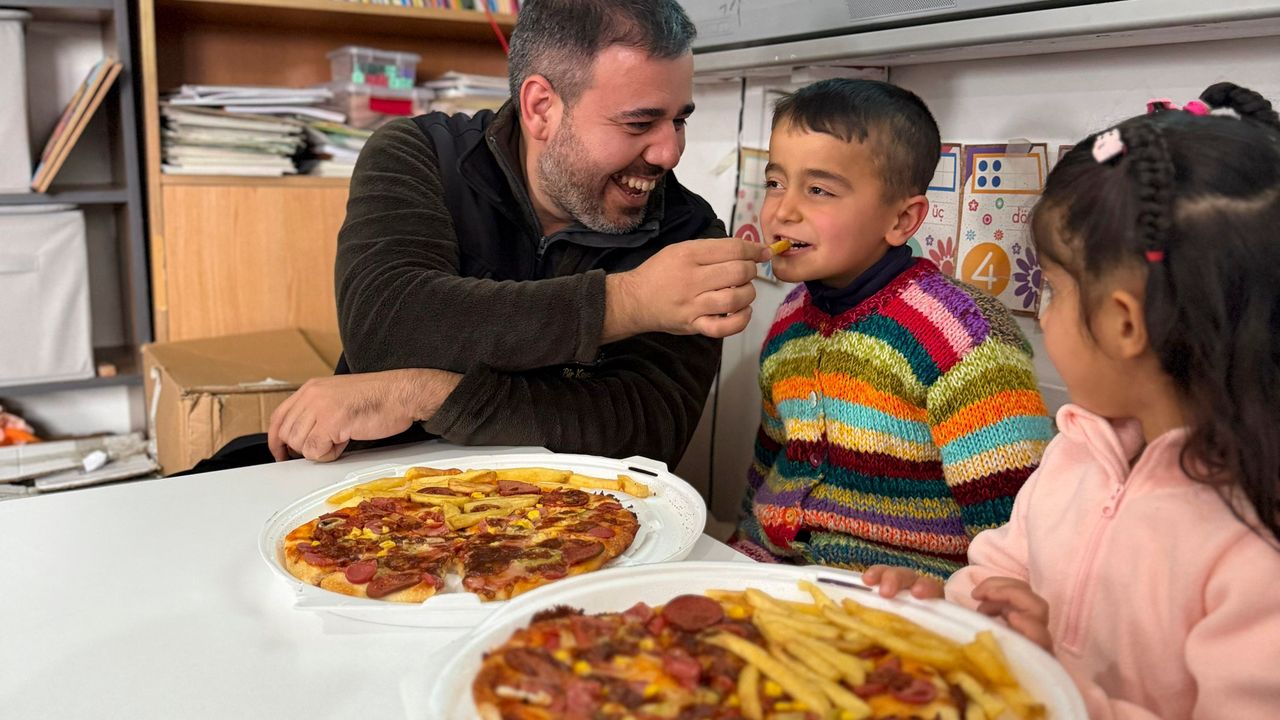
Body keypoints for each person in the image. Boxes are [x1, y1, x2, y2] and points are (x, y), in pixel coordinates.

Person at [864, 83, 1280, 718]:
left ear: (1122, 323)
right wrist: (940, 614)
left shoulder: (1255, 548)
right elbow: (995, 578)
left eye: (1054, 289)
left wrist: (1048, 688)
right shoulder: (1078, 450)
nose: (1042, 313)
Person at [265, 0, 769, 469]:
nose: (669, 153)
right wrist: (629, 302)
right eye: (639, 124)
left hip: (576, 516)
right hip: (376, 491)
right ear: (541, 108)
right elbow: (386, 332)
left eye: (679, 120)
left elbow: (646, 437)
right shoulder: (420, 154)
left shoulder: (688, 233)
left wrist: (427, 395)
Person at [728, 79, 1053, 580]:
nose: (781, 211)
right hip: (775, 570)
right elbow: (769, 464)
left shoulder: (964, 337)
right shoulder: (792, 315)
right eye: (775, 183)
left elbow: (1016, 542)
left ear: (902, 220)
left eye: (818, 190)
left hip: (902, 596)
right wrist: (738, 553)